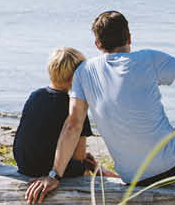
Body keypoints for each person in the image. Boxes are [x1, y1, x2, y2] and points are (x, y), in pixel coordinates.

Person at [25, 10, 175, 204]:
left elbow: (73, 125)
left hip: (132, 177)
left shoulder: (84, 72)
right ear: (130, 38)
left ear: (97, 45)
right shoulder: (149, 58)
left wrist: (54, 175)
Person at [12, 47, 110, 178]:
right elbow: (78, 157)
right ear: (74, 78)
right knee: (84, 167)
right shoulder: (74, 107)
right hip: (49, 170)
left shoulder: (35, 95)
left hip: (25, 165)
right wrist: (83, 165)